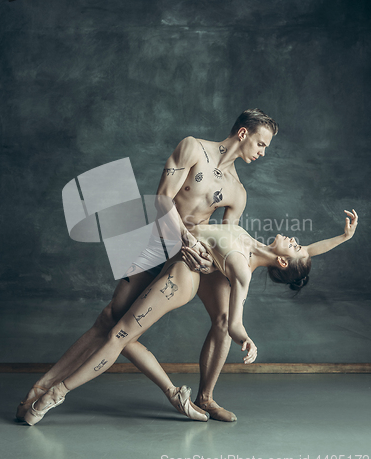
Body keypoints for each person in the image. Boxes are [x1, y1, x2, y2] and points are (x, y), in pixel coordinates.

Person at [17, 109, 278, 423]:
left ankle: (204, 398)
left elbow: (226, 237)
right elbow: (162, 198)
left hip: (190, 256)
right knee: (110, 320)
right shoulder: (193, 147)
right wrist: (183, 237)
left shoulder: (238, 192)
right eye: (261, 144)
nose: (263, 152)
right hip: (159, 242)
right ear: (242, 134)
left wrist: (224, 267)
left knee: (216, 319)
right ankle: (42, 388)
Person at [23, 209, 358, 425]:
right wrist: (343, 237)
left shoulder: (243, 268)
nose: (298, 241)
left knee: (118, 336)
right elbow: (308, 254)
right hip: (167, 254)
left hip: (182, 276)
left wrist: (246, 339)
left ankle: (56, 394)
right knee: (113, 328)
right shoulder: (256, 244)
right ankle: (46, 390)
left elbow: (235, 321)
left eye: (295, 246)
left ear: (283, 263)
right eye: (300, 243)